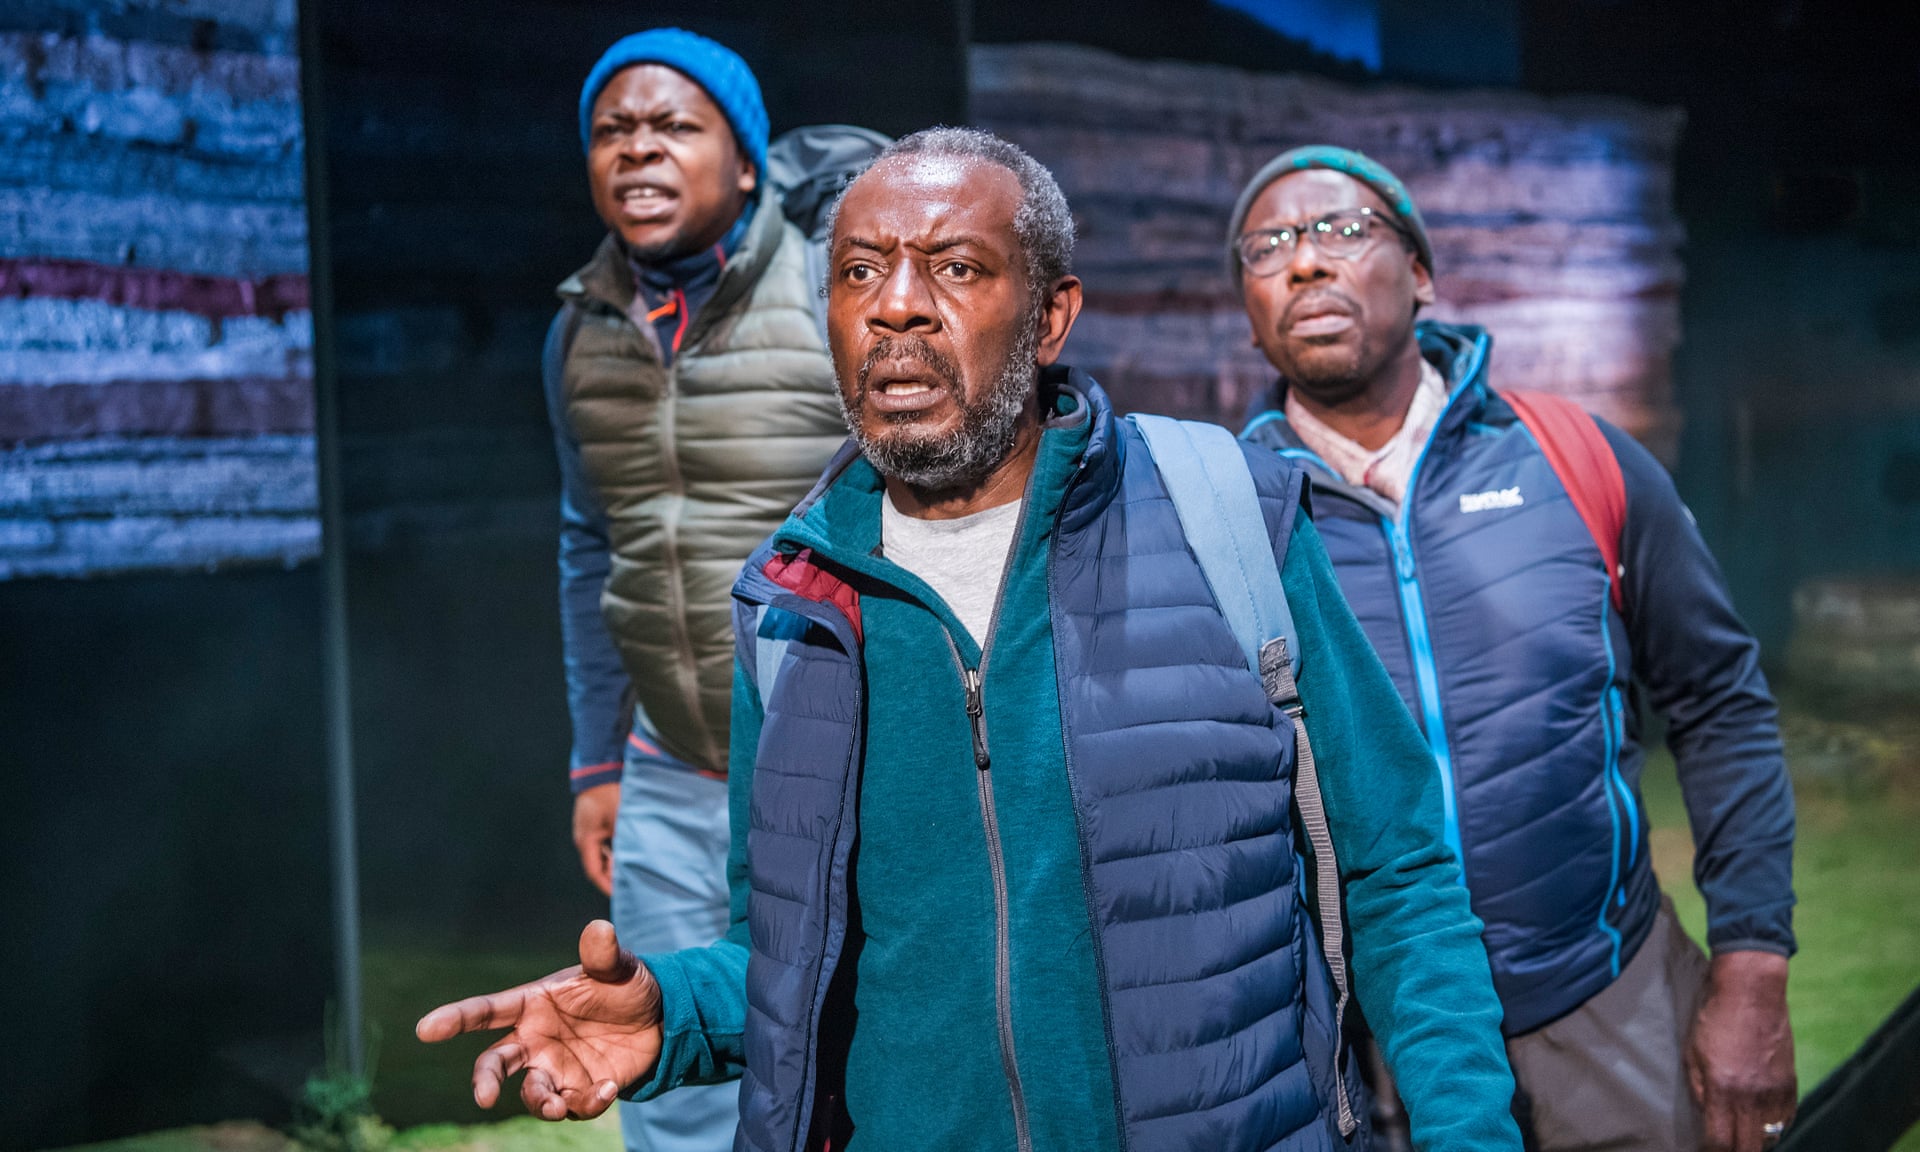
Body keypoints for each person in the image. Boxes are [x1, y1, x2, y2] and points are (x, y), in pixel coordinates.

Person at [423, 127, 1524, 1151]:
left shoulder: (1227, 516)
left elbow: (1398, 875)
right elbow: (790, 957)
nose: (897, 307)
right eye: (859, 272)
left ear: (1049, 318)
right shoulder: (793, 607)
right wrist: (673, 1016)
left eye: (955, 267)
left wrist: (1469, 1132)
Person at [1228, 147, 1798, 1152]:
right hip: (1375, 1044)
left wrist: (1752, 967)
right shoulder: (1227, 519)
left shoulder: (1574, 459)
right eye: (1267, 246)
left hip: (1609, 1003)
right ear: (1248, 304)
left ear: (1420, 273)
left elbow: (1720, 702)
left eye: (1341, 229)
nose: (1304, 261)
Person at [543, 28, 847, 1152]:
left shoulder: (830, 292)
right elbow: (592, 546)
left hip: (840, 760)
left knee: (857, 1062)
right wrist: (597, 762)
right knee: (667, 1077)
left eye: (675, 125)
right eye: (612, 129)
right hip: (670, 768)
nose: (638, 148)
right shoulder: (578, 330)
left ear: (748, 162)